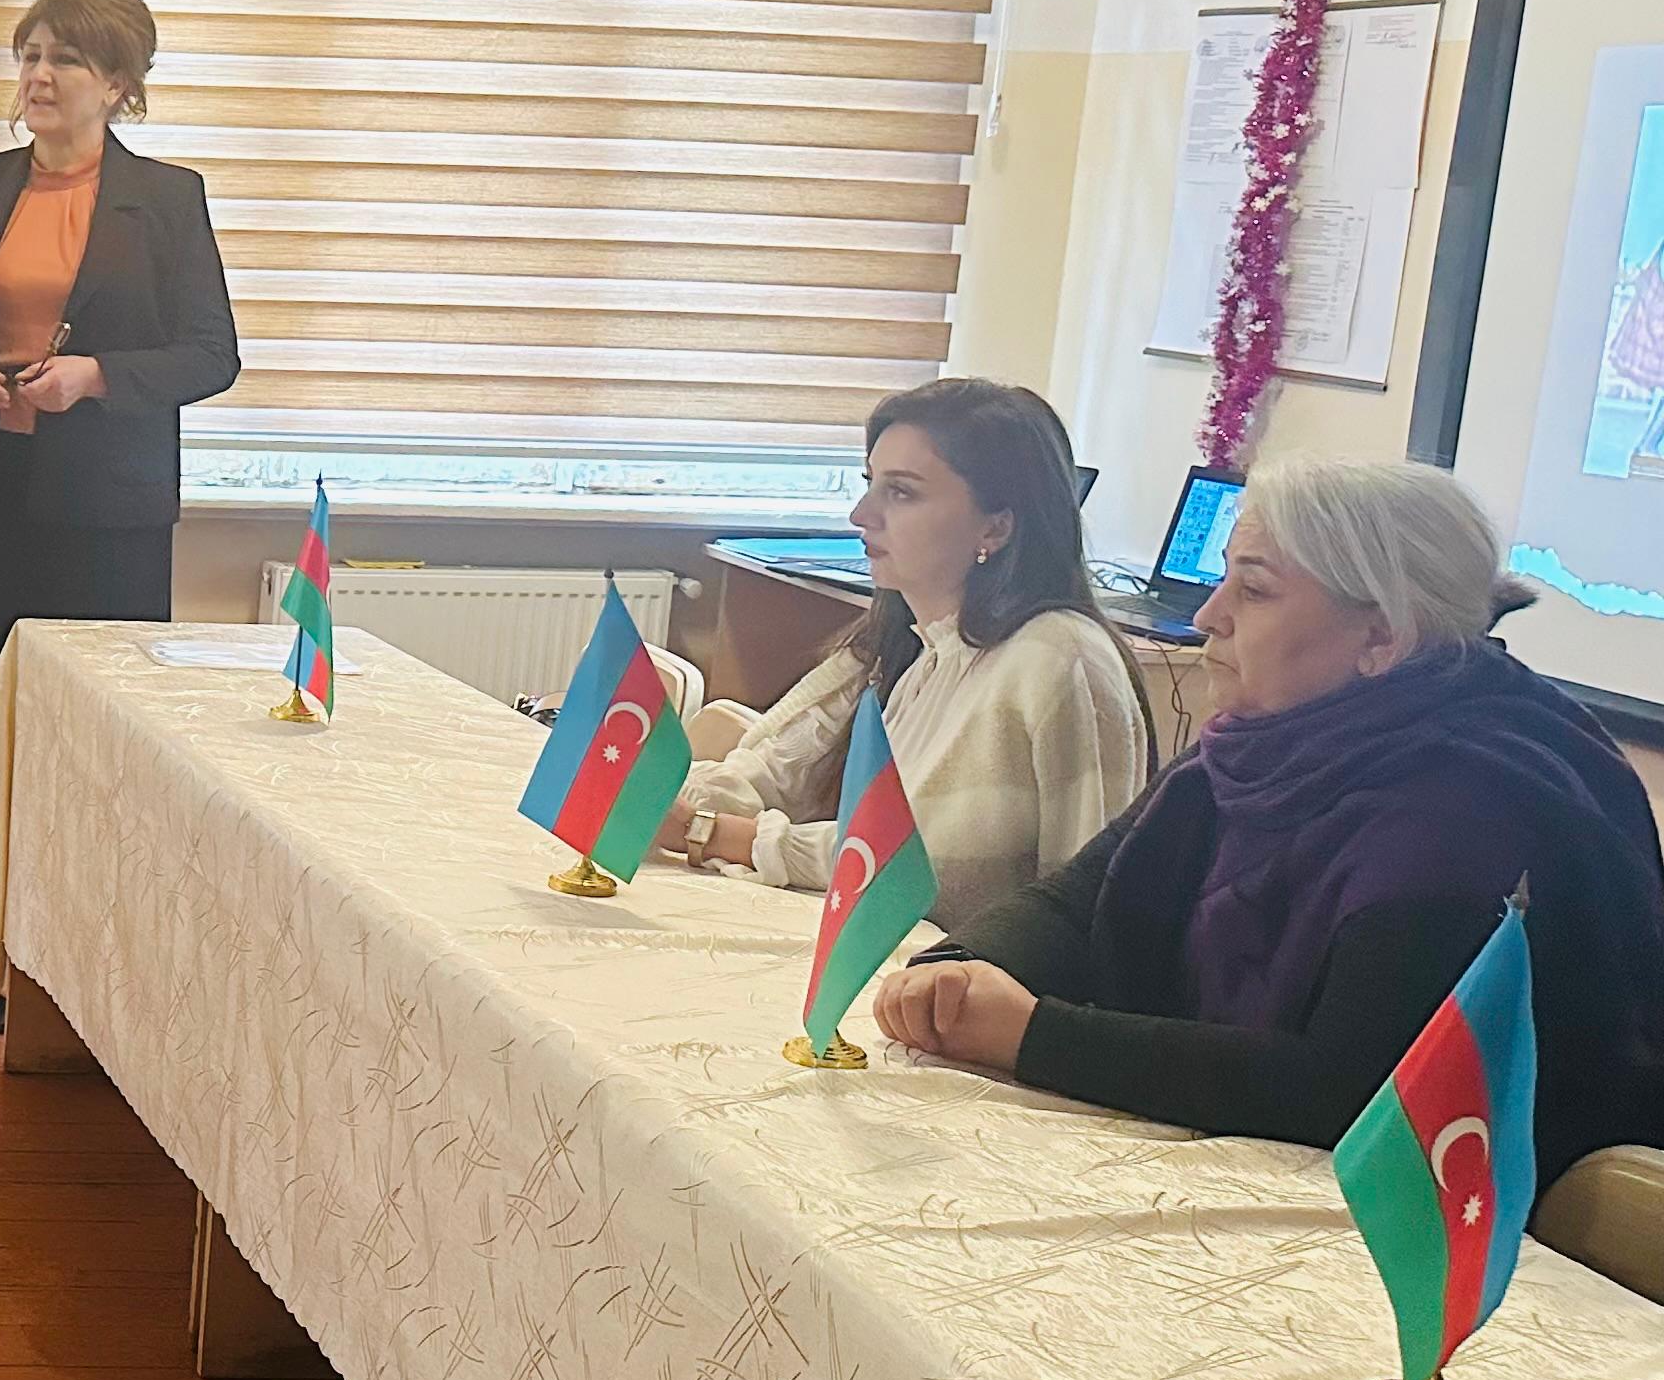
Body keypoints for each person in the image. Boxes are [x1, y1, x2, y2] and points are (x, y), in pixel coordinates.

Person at [877, 457, 1664, 1181]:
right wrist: (958, 969)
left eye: (1253, 592)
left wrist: (1033, 1035)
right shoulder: (1264, 741)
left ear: (1382, 636)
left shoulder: (1465, 808)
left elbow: (1345, 1089)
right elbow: (1078, 902)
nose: (1209, 615)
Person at [0, 0, 240, 745]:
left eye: (66, 60)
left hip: (106, 505)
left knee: (97, 726)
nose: (39, 77)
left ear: (116, 83)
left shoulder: (168, 199)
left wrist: (96, 376)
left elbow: (212, 355)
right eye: (31, 56)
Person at [669, 379, 1149, 929]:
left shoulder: (1060, 658)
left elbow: (923, 867)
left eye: (901, 492)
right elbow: (776, 767)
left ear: (996, 526)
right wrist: (674, 800)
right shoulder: (915, 641)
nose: (861, 514)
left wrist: (712, 832)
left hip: (956, 972)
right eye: (870, 483)